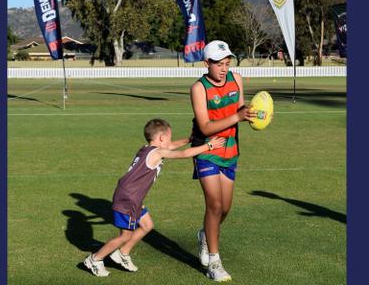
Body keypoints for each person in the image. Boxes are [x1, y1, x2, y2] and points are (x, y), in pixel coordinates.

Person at [83, 118, 225, 277]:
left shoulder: (146, 148)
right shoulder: (158, 152)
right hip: (129, 199)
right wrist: (209, 146)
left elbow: (171, 146)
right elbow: (183, 153)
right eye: (169, 138)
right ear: (162, 138)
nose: (171, 141)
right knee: (125, 235)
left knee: (147, 224)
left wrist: (189, 139)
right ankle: (95, 259)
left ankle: (122, 254)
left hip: (129, 196)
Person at [190, 40, 257, 282]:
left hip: (231, 151)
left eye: (227, 63)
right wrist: (237, 117)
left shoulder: (236, 79)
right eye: (219, 64)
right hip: (206, 149)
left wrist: (252, 115)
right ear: (206, 63)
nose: (224, 68)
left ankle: (205, 235)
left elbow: (240, 109)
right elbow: (206, 127)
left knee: (225, 208)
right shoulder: (199, 88)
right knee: (215, 205)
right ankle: (214, 262)